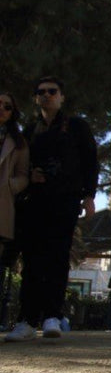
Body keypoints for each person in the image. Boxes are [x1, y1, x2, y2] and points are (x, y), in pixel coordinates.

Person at [5, 76, 98, 342]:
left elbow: (90, 161)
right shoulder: (30, 130)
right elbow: (21, 164)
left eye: (52, 91)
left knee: (57, 258)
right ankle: (26, 319)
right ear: (36, 98)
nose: (47, 96)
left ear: (62, 97)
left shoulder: (77, 127)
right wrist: (30, 176)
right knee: (32, 260)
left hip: (64, 200)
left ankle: (52, 316)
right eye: (41, 92)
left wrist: (89, 195)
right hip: (34, 202)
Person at [0, 91, 30, 330]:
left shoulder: (18, 142)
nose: (2, 109)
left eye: (7, 106)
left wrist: (10, 186)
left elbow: (23, 175)